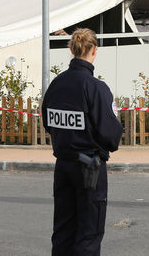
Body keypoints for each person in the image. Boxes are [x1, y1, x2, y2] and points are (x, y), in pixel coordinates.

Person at [42, 28, 123, 255]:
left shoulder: (56, 85)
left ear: (71, 49)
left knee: (63, 230)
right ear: (94, 50)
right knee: (89, 232)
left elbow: (48, 122)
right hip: (89, 167)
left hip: (63, 164)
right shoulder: (96, 88)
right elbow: (111, 135)